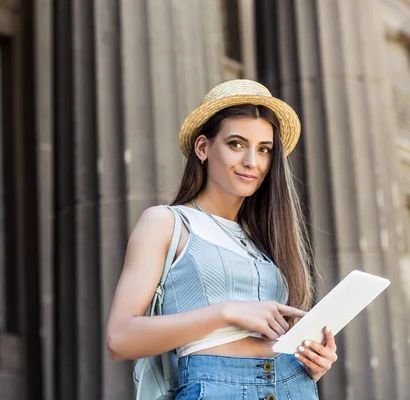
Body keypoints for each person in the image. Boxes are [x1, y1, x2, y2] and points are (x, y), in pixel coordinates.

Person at [106, 79, 338, 399]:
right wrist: (226, 312)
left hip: (293, 386)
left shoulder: (265, 242)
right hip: (216, 387)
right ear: (203, 148)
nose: (251, 162)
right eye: (236, 144)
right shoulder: (167, 222)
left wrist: (311, 361)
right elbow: (120, 338)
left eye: (264, 149)